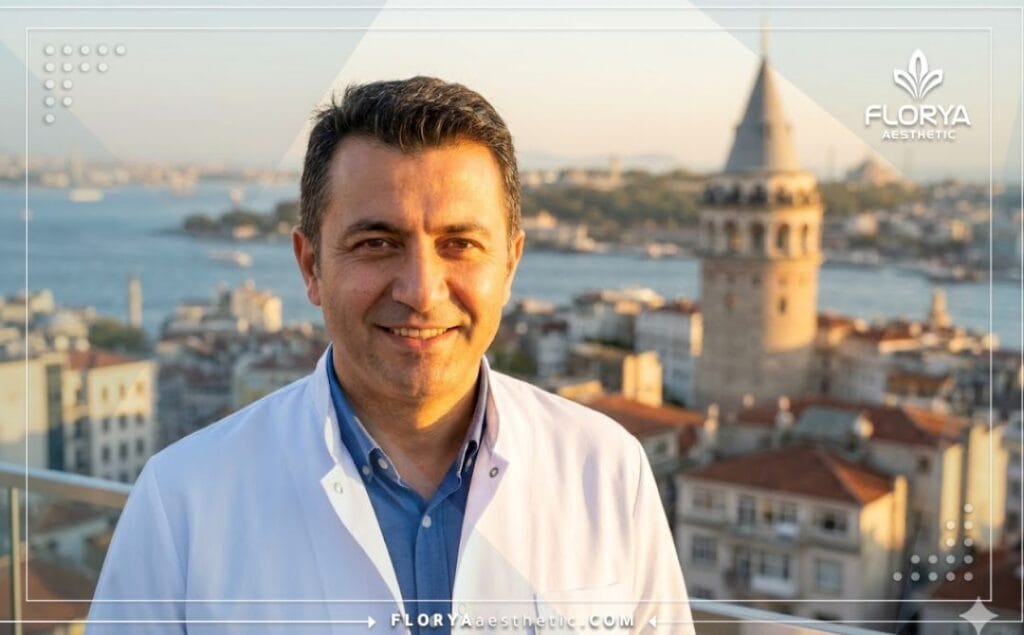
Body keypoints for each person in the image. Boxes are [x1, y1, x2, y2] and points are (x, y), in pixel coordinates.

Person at [86, 77, 694, 634]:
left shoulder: (608, 469)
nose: (421, 291)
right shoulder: (182, 500)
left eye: (459, 243)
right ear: (311, 266)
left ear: (510, 265)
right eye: (377, 243)